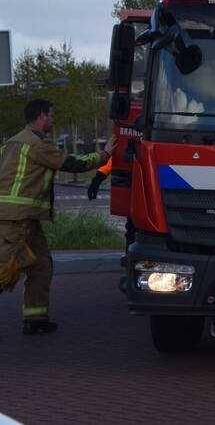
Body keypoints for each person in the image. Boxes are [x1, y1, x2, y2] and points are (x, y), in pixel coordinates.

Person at [0, 99, 116, 334]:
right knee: (5, 271)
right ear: (41, 116)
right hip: (16, 218)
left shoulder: (11, 143)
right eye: (52, 116)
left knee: (41, 266)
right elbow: (72, 163)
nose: (54, 120)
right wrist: (105, 155)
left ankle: (36, 319)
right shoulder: (38, 144)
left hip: (27, 218)